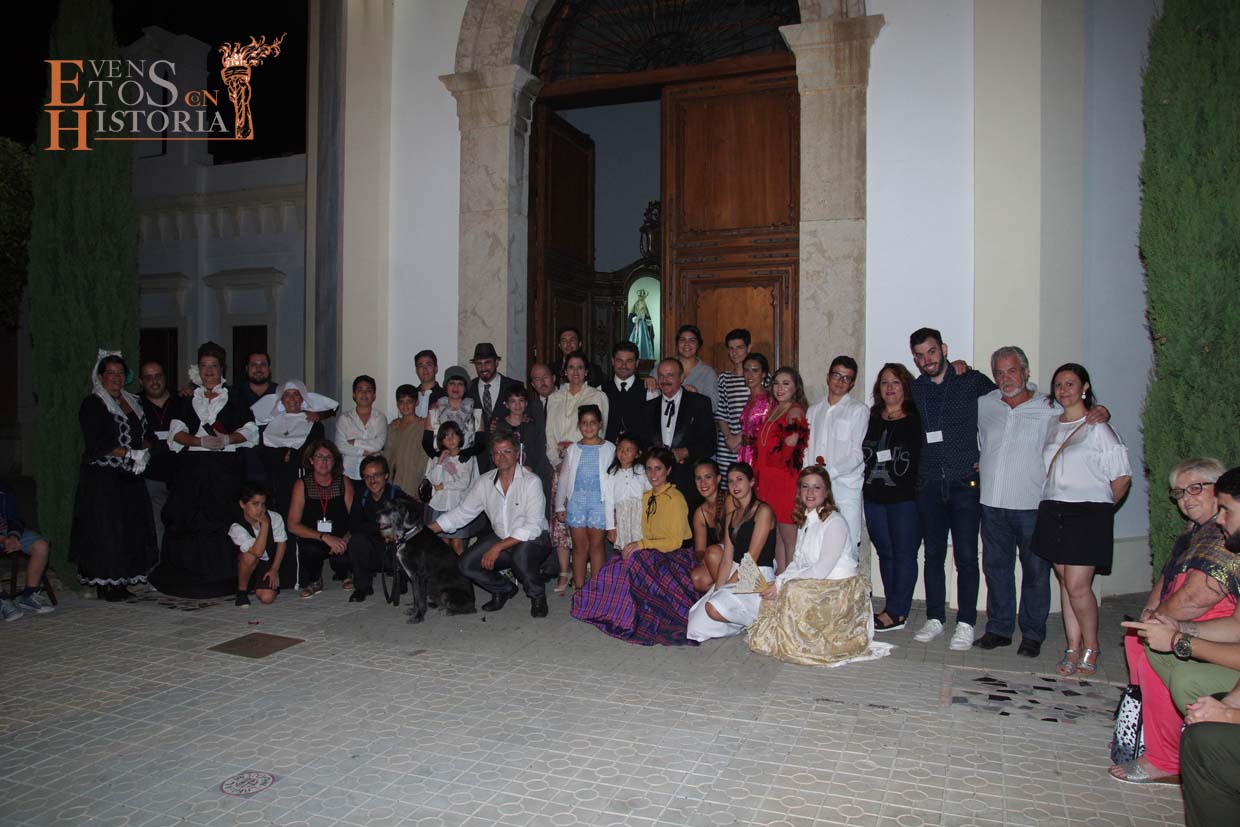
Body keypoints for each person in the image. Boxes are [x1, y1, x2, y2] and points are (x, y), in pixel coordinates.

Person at [976, 345, 1110, 657]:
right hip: (991, 502)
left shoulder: (1049, 406)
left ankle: (1033, 633)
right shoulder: (985, 404)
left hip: (1033, 505)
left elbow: (1080, 414)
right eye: (999, 372)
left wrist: (1102, 411)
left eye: (1012, 371)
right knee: (996, 569)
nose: (1006, 378)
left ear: (1025, 372)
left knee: (1036, 573)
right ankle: (999, 628)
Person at [1110, 458, 1235, 784]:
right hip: (1193, 625)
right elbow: (1168, 578)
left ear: (1219, 490)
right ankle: (1146, 737)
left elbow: (1197, 597)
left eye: (1195, 488)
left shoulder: (1223, 537)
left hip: (1213, 630)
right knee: (1137, 641)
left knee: (1153, 652)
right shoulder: (1195, 533)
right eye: (1179, 492)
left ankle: (1166, 757)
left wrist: (1164, 623)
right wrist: (1150, 614)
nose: (1186, 498)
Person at [1032, 363, 1131, 677]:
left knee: (1078, 585)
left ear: (1085, 387)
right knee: (1064, 581)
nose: (1063, 390)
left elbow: (1121, 477)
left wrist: (1101, 512)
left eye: (1070, 383)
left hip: (1087, 513)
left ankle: (1092, 645)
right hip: (1053, 508)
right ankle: (1072, 647)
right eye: (1059, 384)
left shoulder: (1098, 427)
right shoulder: (1052, 424)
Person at [747, 466, 893, 666]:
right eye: (805, 487)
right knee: (777, 588)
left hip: (839, 587)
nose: (810, 492)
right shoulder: (806, 519)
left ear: (826, 492)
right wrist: (779, 580)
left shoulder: (835, 522)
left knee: (791, 590)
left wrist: (782, 583)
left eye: (816, 487)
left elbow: (822, 569)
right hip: (818, 580)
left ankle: (803, 645)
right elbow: (798, 561)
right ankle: (781, 639)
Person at [908, 327, 996, 650]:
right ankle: (935, 617)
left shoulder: (970, 381)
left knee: (966, 556)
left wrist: (988, 455)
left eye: (931, 351)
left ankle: (966, 622)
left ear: (944, 349)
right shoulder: (915, 388)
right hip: (929, 483)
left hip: (964, 483)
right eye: (920, 355)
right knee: (932, 554)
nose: (927, 360)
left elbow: (1006, 404)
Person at [149, 342, 258, 599]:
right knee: (188, 519)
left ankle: (224, 579)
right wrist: (199, 441)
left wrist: (226, 439)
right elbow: (176, 433)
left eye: (214, 366)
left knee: (222, 519)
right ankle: (184, 578)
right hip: (192, 469)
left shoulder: (235, 396)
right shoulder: (187, 398)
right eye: (204, 366)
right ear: (198, 369)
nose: (209, 371)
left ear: (222, 369)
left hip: (224, 470)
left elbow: (250, 431)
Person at [571, 446, 698, 646]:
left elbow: (674, 542)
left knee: (635, 562)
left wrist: (642, 544)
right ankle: (612, 613)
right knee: (615, 566)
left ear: (668, 470)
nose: (653, 474)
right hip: (652, 553)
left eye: (658, 468)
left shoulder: (675, 499)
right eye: (649, 468)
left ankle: (638, 618)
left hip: (674, 557)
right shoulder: (647, 497)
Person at [426, 433, 553, 617]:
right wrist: (428, 529)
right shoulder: (484, 482)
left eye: (507, 451)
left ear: (517, 454)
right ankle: (503, 589)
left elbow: (533, 526)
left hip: (534, 540)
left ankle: (537, 596)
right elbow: (462, 513)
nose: (502, 456)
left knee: (520, 557)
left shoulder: (531, 481)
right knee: (466, 564)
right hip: (502, 536)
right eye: (497, 453)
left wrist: (498, 547)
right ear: (492, 457)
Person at [686, 462, 776, 642]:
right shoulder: (732, 515)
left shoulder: (763, 511)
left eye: (740, 479)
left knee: (713, 607)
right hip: (736, 569)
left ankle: (762, 618)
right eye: (731, 481)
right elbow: (727, 558)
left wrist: (727, 587)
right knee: (695, 627)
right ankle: (743, 621)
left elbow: (752, 558)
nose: (735, 485)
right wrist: (718, 589)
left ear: (751, 482)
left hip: (756, 573)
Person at [862, 363, 922, 633]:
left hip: (905, 497)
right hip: (874, 495)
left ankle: (897, 612)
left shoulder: (916, 418)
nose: (889, 387)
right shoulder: (872, 417)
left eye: (895, 382)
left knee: (904, 554)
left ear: (905, 386)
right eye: (885, 382)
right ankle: (891, 606)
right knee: (885, 552)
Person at [545, 351, 610, 587]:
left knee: (594, 539)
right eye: (571, 367)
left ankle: (593, 580)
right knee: (564, 524)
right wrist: (557, 460)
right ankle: (566, 571)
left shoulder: (597, 396)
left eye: (580, 367)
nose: (575, 372)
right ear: (564, 371)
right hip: (561, 463)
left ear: (586, 371)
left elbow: (601, 433)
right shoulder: (555, 397)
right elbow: (549, 434)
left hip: (588, 465)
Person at [803, 356, 868, 548]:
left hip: (845, 487)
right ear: (828, 377)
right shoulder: (814, 410)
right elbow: (806, 448)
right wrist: (808, 478)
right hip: (816, 488)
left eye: (846, 378)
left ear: (852, 383)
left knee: (847, 543)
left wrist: (828, 474)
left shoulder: (858, 410)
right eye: (837, 375)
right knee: (816, 541)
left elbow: (858, 453)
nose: (840, 381)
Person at [251, 380, 337, 520]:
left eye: (296, 394)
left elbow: (316, 454)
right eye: (287, 395)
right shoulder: (269, 425)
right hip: (275, 482)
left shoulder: (315, 425)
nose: (292, 399)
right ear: (281, 400)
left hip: (302, 480)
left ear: (302, 398)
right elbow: (263, 453)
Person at [753, 366, 809, 573]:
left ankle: (791, 582)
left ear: (795, 388)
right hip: (767, 481)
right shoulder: (774, 409)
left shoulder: (794, 410)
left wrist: (789, 444)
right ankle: (780, 579)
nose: (780, 388)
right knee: (775, 535)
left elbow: (792, 446)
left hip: (784, 482)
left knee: (789, 537)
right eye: (776, 383)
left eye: (786, 384)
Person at [641, 358, 715, 512]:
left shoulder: (700, 403)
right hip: (656, 482)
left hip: (689, 481)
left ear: (681, 378)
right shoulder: (648, 407)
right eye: (661, 376)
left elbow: (710, 444)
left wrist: (687, 451)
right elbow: (643, 442)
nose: (664, 380)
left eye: (670, 375)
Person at [286, 439, 355, 597]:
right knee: (309, 550)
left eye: (328, 457)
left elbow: (355, 518)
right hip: (315, 537)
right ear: (311, 460)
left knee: (345, 554)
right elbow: (292, 525)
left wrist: (345, 539)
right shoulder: (302, 484)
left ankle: (346, 574)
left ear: (335, 461)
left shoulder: (343, 482)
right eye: (319, 457)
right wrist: (325, 537)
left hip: (341, 536)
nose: (324, 461)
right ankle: (315, 580)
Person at [555, 405, 614, 589]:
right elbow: (563, 478)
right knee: (580, 547)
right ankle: (580, 589)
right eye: (584, 423)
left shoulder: (610, 448)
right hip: (577, 503)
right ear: (579, 425)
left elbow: (614, 479)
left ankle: (596, 590)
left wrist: (614, 508)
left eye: (593, 423)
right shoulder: (573, 449)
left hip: (600, 503)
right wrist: (560, 505)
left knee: (597, 546)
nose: (588, 427)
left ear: (600, 424)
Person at [347, 454, 416, 602]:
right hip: (373, 547)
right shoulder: (361, 496)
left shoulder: (397, 495)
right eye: (367, 477)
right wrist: (382, 529)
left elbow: (412, 520)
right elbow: (354, 525)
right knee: (356, 541)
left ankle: (401, 579)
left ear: (386, 476)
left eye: (376, 475)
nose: (372, 480)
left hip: (395, 548)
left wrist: (395, 532)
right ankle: (362, 587)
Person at [1, 482, 55, 618]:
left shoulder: (3, 488)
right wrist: (3, 540)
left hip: (7, 530)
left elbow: (15, 518)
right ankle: (2, 600)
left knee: (41, 546)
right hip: (2, 537)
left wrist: (13, 536)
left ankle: (29, 595)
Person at [228, 481, 286, 607]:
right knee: (250, 556)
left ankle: (259, 586)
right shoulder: (237, 527)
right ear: (242, 504)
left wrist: (274, 569)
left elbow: (282, 543)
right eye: (255, 504)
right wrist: (265, 524)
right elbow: (257, 552)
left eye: (263, 504)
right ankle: (242, 591)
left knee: (267, 598)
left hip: (266, 563)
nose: (260, 509)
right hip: (244, 565)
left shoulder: (275, 517)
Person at [493, 385, 553, 507]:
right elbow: (496, 452)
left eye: (521, 401)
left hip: (529, 472)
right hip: (506, 474)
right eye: (513, 401)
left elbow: (538, 450)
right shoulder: (500, 426)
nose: (517, 405)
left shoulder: (531, 426)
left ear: (526, 403)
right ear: (506, 404)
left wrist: (531, 467)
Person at [425, 420, 478, 556]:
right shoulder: (436, 458)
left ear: (460, 437)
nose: (451, 439)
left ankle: (462, 568)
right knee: (442, 544)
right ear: (441, 440)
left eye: (454, 434)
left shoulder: (467, 458)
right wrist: (440, 462)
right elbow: (434, 480)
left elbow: (464, 483)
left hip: (458, 505)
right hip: (439, 505)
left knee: (457, 543)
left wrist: (444, 486)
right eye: (446, 436)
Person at [468, 342, 524, 470]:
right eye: (479, 364)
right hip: (477, 460)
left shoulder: (514, 386)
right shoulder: (468, 389)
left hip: (507, 457)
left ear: (496, 362)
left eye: (487, 362)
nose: (483, 368)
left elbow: (525, 420)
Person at [137, 360, 175, 551]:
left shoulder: (181, 400)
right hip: (151, 477)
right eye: (148, 377)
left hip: (180, 476)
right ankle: (158, 566)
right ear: (141, 381)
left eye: (158, 376)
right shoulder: (134, 404)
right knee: (156, 528)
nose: (154, 381)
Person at [425, 366, 485, 465]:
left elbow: (481, 443)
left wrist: (466, 453)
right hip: (439, 463)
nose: (456, 387)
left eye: (460, 384)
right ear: (446, 386)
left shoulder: (475, 413)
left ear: (465, 388)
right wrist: (437, 456)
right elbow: (426, 442)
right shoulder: (434, 411)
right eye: (452, 383)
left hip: (466, 464)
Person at [603, 434, 650, 553]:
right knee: (625, 551)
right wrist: (610, 528)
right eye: (620, 448)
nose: (623, 453)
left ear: (638, 454)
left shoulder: (642, 471)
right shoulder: (612, 474)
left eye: (628, 450)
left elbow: (651, 493)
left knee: (642, 549)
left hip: (641, 517)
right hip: (622, 519)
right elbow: (609, 503)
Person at [335, 374, 387, 482]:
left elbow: (379, 444)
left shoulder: (380, 418)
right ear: (354, 395)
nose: (364, 394)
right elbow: (340, 446)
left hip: (373, 477)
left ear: (374, 396)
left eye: (368, 390)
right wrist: (363, 452)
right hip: (348, 473)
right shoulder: (345, 418)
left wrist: (354, 442)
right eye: (360, 390)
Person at [714, 329, 751, 475]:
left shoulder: (762, 378)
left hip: (750, 443)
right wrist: (729, 437)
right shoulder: (724, 378)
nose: (735, 353)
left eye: (739, 347)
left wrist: (740, 437)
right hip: (727, 446)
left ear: (748, 348)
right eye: (731, 348)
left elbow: (763, 415)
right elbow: (720, 412)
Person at [688, 459, 728, 592]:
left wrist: (711, 554)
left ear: (718, 479)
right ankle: (725, 591)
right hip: (719, 558)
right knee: (697, 577)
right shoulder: (700, 512)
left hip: (740, 555)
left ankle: (727, 596)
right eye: (698, 478)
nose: (703, 483)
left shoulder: (730, 500)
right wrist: (704, 558)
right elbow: (700, 550)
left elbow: (735, 539)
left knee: (713, 553)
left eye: (708, 477)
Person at [385, 384, 427, 497]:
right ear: (397, 404)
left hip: (412, 480)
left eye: (409, 402)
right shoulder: (393, 426)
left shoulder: (422, 426)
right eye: (402, 402)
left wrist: (418, 476)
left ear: (416, 403)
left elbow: (424, 456)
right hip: (391, 479)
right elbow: (387, 453)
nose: (405, 405)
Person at [603, 341, 649, 443]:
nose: (624, 366)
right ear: (612, 361)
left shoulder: (650, 391)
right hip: (608, 449)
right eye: (619, 361)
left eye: (629, 361)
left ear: (637, 363)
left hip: (640, 450)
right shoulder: (600, 390)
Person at [735, 353, 772, 466]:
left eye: (755, 370)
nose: (750, 375)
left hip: (760, 455)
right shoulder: (749, 399)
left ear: (763, 374)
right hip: (744, 453)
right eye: (746, 370)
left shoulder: (769, 400)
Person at [675, 324, 718, 413]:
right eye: (682, 340)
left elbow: (713, 405)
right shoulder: (664, 367)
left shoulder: (708, 372)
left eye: (692, 340)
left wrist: (696, 395)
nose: (687, 344)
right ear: (677, 344)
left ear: (698, 345)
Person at [411, 349, 447, 417]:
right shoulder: (410, 396)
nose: (425, 369)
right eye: (421, 365)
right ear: (416, 370)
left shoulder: (445, 396)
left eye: (429, 365)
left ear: (436, 368)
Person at [628, 288, 656, 361]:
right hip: (635, 334)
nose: (641, 306)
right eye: (640, 304)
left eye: (643, 304)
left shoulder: (646, 315)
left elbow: (650, 327)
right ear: (637, 305)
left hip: (645, 334)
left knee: (645, 343)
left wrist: (649, 324)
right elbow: (629, 325)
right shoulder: (632, 314)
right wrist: (636, 320)